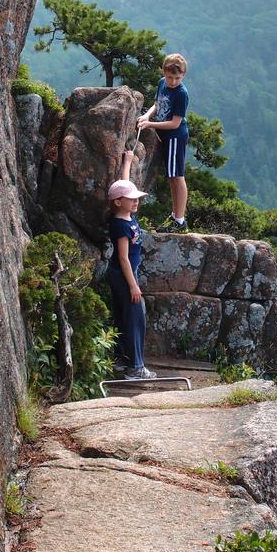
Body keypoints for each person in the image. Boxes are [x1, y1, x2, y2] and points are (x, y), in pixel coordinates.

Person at [106, 150, 156, 380]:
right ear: (118, 202)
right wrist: (133, 286)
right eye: (132, 198)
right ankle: (135, 368)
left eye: (137, 198)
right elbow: (124, 258)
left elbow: (124, 185)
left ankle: (121, 360)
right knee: (136, 317)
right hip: (125, 275)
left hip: (120, 274)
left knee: (123, 315)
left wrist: (126, 162)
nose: (136, 201)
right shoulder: (120, 225)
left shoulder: (126, 215)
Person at [138, 53, 189, 232]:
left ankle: (180, 221)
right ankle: (175, 215)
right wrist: (146, 115)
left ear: (183, 76)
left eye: (177, 78)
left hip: (175, 136)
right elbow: (157, 104)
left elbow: (175, 123)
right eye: (170, 77)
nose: (173, 81)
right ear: (164, 72)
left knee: (177, 177)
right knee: (171, 178)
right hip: (165, 136)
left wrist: (149, 124)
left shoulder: (181, 93)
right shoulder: (162, 83)